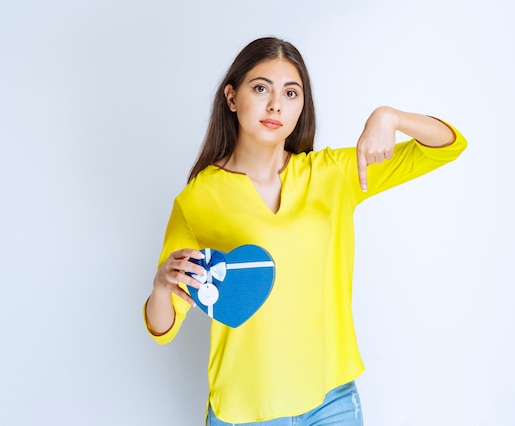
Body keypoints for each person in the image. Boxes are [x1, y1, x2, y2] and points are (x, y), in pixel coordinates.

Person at [144, 37, 467, 425]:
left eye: (291, 93)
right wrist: (162, 286)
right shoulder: (197, 198)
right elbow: (163, 329)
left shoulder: (332, 175)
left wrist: (390, 116)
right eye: (261, 88)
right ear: (232, 97)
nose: (276, 104)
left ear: (302, 106)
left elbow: (446, 146)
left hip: (331, 403)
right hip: (244, 409)